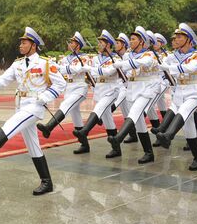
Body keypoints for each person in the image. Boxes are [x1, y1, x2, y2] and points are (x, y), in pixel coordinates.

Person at [0, 27, 66, 195]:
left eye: (24, 42)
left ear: (33, 45)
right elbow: (2, 80)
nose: (21, 45)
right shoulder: (17, 64)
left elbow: (61, 84)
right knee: (33, 146)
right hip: (21, 104)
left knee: (10, 124)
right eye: (21, 42)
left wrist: (46, 97)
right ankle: (47, 182)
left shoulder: (45, 63)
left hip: (35, 105)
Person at [152, 23, 197, 171]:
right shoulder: (173, 56)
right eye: (176, 37)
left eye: (180, 37)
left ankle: (168, 135)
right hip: (179, 92)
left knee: (183, 112)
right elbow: (159, 65)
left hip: (194, 93)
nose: (176, 39)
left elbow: (191, 68)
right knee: (189, 130)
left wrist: (168, 68)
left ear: (188, 39)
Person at [107, 26, 161, 164]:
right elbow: (128, 72)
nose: (130, 41)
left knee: (135, 112)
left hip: (146, 89)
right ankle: (149, 153)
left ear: (141, 41)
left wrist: (123, 65)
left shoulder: (149, 54)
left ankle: (119, 137)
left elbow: (142, 63)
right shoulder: (127, 55)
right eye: (130, 39)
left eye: (133, 39)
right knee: (139, 123)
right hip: (132, 89)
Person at [72, 30, 123, 159]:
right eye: (99, 42)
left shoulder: (116, 59)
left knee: (98, 109)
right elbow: (94, 74)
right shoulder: (95, 58)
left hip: (112, 89)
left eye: (101, 42)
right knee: (107, 119)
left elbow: (108, 72)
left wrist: (92, 70)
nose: (99, 44)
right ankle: (116, 148)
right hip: (100, 89)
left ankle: (84, 131)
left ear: (108, 45)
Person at [38, 31, 91, 154]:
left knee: (65, 105)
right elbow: (60, 69)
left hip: (79, 87)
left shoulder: (85, 57)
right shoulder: (66, 58)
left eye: (72, 42)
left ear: (78, 45)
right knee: (76, 116)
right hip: (69, 87)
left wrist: (68, 68)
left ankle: (49, 127)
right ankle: (84, 144)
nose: (70, 43)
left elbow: (79, 69)